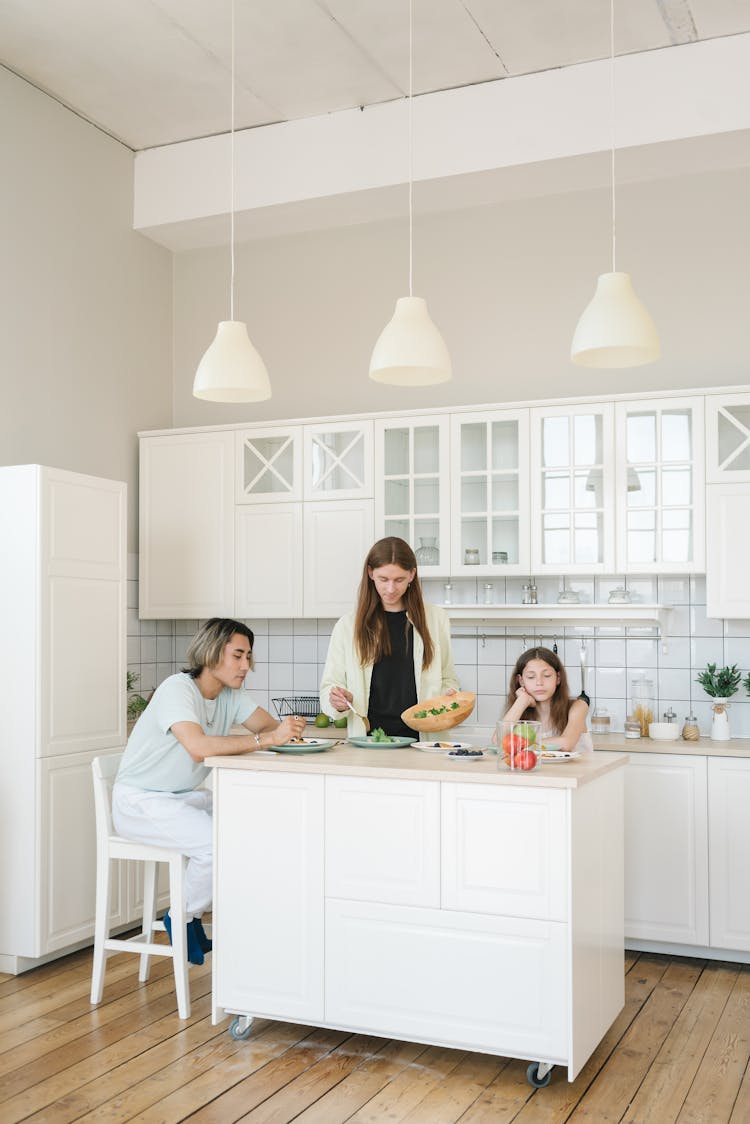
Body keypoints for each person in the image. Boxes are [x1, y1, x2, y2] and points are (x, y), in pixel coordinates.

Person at [112, 618, 305, 965]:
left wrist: (288, 729)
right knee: (216, 846)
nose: (246, 665)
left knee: (252, 825)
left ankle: (214, 917)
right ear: (212, 653)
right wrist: (268, 739)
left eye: (248, 656)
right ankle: (182, 916)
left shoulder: (230, 694)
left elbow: (270, 728)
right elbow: (198, 747)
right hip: (140, 802)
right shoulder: (177, 688)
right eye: (238, 656)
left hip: (180, 796)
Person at [320, 536, 459, 738]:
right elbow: (329, 687)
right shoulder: (347, 626)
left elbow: (448, 678)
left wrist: (449, 695)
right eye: (383, 579)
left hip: (423, 742)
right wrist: (337, 701)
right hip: (368, 742)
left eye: (399, 579)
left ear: (412, 575)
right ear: (370, 573)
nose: (391, 589)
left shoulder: (436, 619)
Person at [502, 646, 593, 753]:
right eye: (531, 677)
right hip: (541, 770)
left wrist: (517, 743)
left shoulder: (579, 706)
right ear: (521, 681)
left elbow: (566, 744)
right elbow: (498, 741)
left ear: (558, 678)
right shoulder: (521, 711)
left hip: (580, 770)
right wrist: (521, 701)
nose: (539, 683)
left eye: (547, 675)